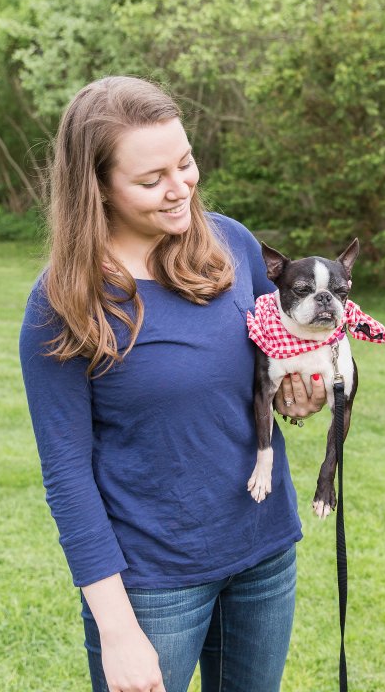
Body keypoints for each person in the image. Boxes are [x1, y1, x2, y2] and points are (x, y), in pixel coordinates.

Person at [19, 76, 326, 692]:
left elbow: (287, 352)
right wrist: (118, 630)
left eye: (185, 163)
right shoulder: (65, 304)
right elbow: (66, 473)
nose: (180, 187)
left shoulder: (231, 244)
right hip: (153, 581)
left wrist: (305, 392)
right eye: (151, 178)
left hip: (263, 552)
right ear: (97, 187)